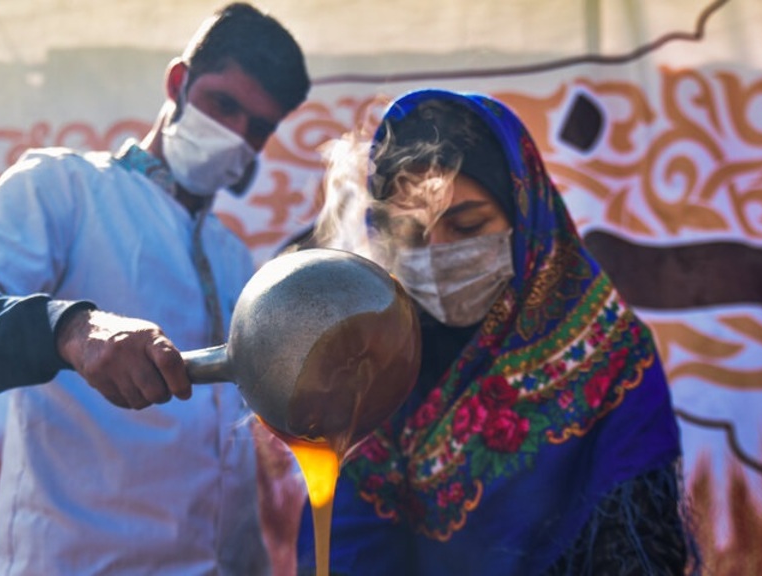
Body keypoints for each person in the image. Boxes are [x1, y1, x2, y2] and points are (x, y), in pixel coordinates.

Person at [0, 4, 309, 574]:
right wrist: (71, 329)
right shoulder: (63, 188)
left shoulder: (234, 256)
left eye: (258, 128)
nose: (236, 136)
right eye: (224, 105)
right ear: (178, 84)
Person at [295, 89, 700, 575]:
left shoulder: (612, 355)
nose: (438, 251)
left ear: (525, 213)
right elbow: (349, 545)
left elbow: (637, 549)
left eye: (467, 226)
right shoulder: (376, 363)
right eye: (412, 235)